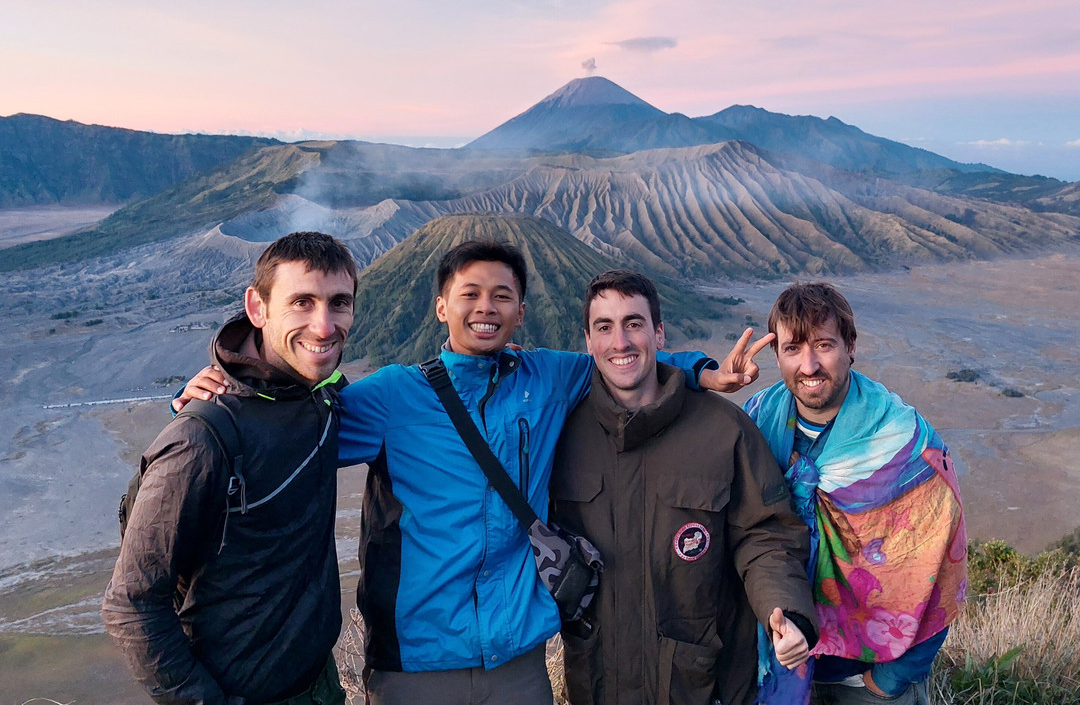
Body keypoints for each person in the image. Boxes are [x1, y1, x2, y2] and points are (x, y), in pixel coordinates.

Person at [177, 239, 769, 705]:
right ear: (441, 307)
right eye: (470, 293)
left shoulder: (549, 377)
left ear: (521, 313)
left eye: (502, 295)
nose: (486, 307)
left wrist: (701, 370)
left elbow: (625, 355)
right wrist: (222, 396)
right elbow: (297, 429)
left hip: (517, 663)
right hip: (417, 666)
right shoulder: (393, 396)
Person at [102, 231, 357, 705]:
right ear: (257, 308)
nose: (323, 326)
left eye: (338, 303)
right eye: (301, 302)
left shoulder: (323, 396)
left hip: (318, 685)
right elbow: (131, 604)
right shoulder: (202, 437)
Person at [550, 269, 818, 705]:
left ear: (659, 333)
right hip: (596, 681)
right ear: (588, 341)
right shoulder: (561, 432)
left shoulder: (723, 429)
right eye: (605, 327)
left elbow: (767, 535)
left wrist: (786, 613)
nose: (620, 342)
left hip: (703, 685)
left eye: (634, 324)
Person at [744, 282, 967, 705]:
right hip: (780, 664)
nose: (809, 365)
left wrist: (889, 682)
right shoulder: (755, 422)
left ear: (851, 346)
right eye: (793, 349)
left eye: (824, 345)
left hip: (867, 675)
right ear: (778, 356)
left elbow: (941, 565)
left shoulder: (905, 442)